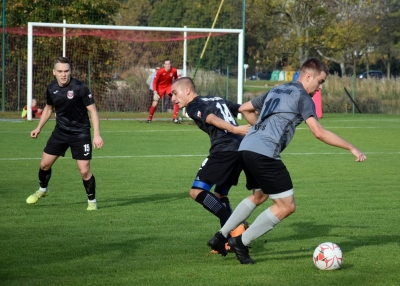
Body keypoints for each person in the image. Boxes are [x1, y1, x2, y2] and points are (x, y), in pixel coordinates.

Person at [208, 58, 367, 264]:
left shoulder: (277, 89)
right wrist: (351, 147)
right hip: (264, 153)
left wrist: (260, 129)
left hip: (246, 147)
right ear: (308, 76)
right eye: (320, 81)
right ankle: (241, 242)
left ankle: (220, 236)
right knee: (286, 206)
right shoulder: (303, 97)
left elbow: (245, 109)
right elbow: (318, 132)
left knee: (259, 195)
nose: (319, 88)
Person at [170, 77, 251, 253]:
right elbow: (243, 108)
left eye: (175, 93)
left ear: (188, 90)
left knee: (196, 191)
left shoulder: (193, 106)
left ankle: (235, 228)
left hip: (224, 150)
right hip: (241, 149)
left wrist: (235, 129)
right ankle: (228, 240)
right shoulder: (215, 98)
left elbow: (211, 118)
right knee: (220, 195)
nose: (173, 99)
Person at [25, 56, 104, 211]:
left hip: (80, 133)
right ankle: (43, 190)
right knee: (44, 164)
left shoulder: (80, 87)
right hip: (60, 132)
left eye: (66, 71)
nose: (63, 74)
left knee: (84, 170)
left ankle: (92, 201)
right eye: (60, 71)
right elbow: (48, 109)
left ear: (70, 71)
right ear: (54, 72)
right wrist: (38, 128)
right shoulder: (51, 88)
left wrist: (97, 134)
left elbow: (93, 111)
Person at [147, 59, 180, 123]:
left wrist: (176, 87)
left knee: (175, 99)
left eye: (169, 64)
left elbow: (176, 79)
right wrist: (155, 92)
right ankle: (149, 119)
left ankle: (175, 118)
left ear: (170, 65)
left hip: (168, 87)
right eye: (166, 64)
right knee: (155, 101)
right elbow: (155, 82)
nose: (168, 65)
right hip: (160, 88)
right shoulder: (160, 71)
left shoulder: (174, 70)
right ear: (164, 65)